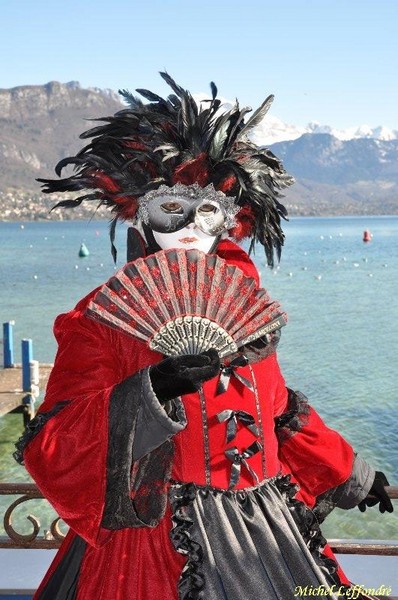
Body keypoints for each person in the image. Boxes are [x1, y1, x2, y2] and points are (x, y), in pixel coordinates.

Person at [15, 73, 393, 600]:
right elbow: (54, 442)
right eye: (173, 209)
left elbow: (278, 412)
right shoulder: (104, 320)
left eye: (208, 211)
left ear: (229, 220)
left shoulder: (248, 312)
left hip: (268, 530)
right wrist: (151, 392)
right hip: (156, 541)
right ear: (141, 217)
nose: (191, 225)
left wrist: (349, 472)